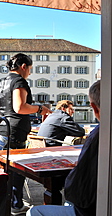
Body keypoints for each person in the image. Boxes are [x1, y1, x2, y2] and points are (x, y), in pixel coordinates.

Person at [0, 53, 52, 215]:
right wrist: (40, 108)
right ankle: (16, 205)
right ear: (23, 66)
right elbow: (20, 107)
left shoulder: (2, 82)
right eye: (30, 69)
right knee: (17, 172)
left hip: (1, 131)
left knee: (2, 170)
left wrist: (7, 116)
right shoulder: (19, 81)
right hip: (15, 133)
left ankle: (2, 204)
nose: (30, 73)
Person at [27, 80, 100, 216]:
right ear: (64, 108)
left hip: (41, 152)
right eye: (71, 109)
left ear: (94, 108)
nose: (72, 112)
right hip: (52, 151)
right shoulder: (63, 117)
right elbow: (79, 132)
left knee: (34, 211)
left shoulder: (53, 116)